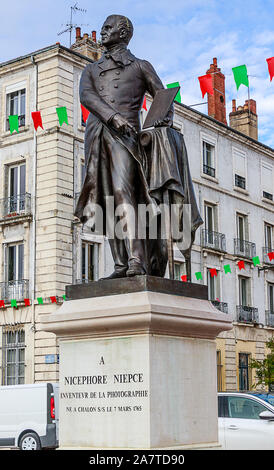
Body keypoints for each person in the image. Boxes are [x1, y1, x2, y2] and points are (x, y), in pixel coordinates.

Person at [75, 14, 174, 279]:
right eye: (103, 27)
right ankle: (120, 264)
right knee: (103, 198)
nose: (103, 31)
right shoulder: (91, 70)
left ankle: (137, 260)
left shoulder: (140, 66)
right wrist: (112, 117)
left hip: (128, 138)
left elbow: (162, 97)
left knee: (124, 193)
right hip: (97, 134)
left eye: (108, 27)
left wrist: (157, 128)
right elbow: (87, 96)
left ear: (124, 32)